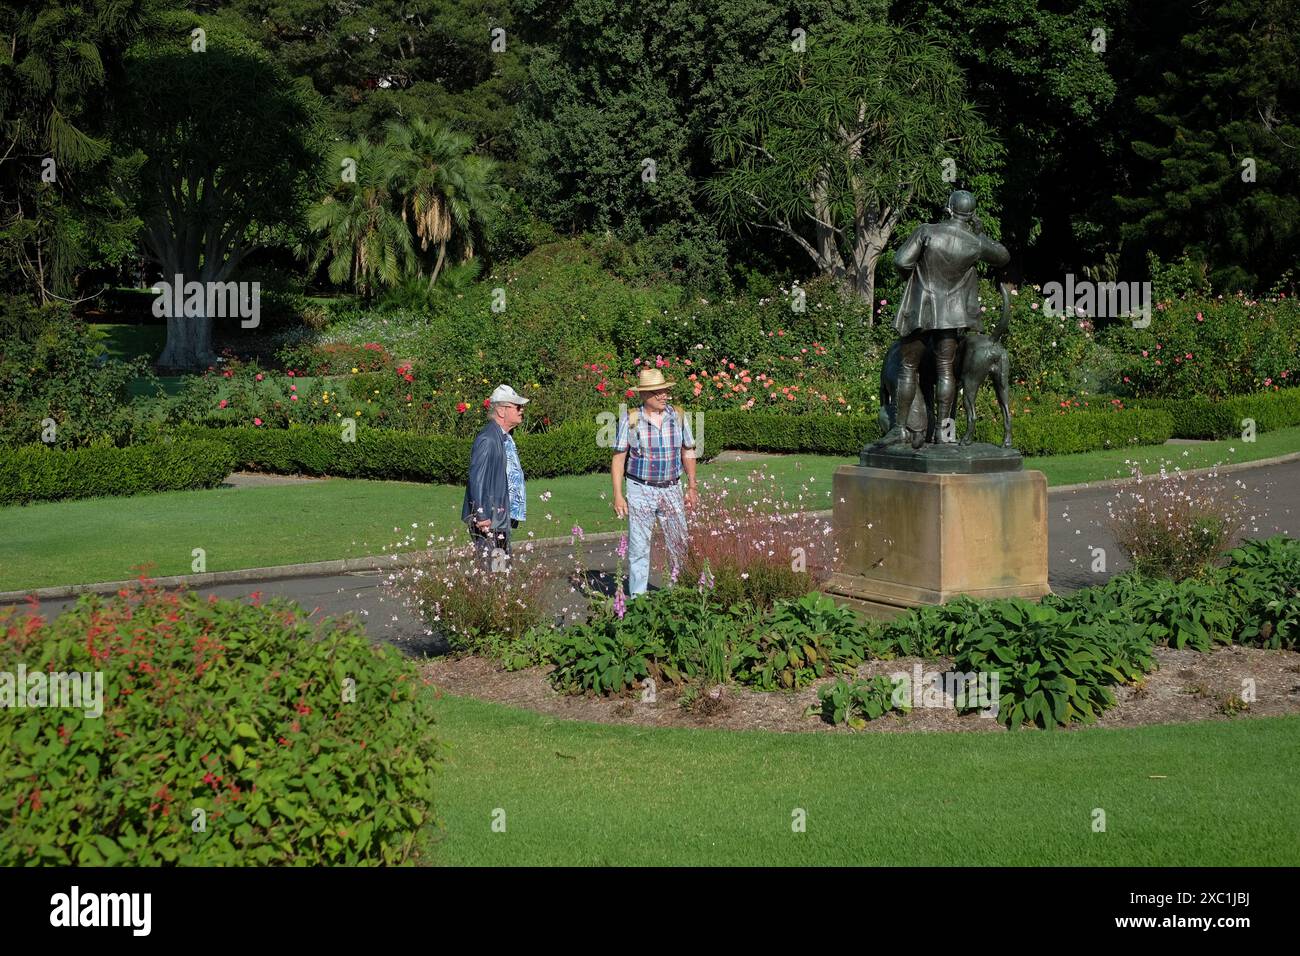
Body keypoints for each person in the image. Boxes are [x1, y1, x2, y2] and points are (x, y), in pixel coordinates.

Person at [887, 189, 1009, 448]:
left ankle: (900, 429)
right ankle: (944, 433)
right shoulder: (974, 243)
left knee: (908, 367)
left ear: (949, 209)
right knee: (945, 372)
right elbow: (1003, 256)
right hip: (952, 315)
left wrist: (915, 279)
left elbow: (900, 261)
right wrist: (979, 232)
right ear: (971, 214)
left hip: (921, 308)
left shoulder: (926, 231)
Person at [611, 368, 698, 598]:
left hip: (671, 488)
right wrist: (618, 495)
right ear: (643, 396)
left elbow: (688, 451)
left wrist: (691, 486)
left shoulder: (678, 416)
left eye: (665, 391)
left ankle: (676, 594)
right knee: (639, 547)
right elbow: (619, 458)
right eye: (657, 392)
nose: (663, 396)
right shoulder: (630, 420)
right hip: (640, 488)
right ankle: (638, 602)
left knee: (678, 545)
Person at [461, 384, 529, 570]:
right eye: (517, 406)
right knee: (493, 568)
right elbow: (477, 478)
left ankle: (497, 596)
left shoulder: (503, 436)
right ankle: (491, 597)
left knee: (499, 566)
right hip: (489, 518)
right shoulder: (488, 439)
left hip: (499, 515)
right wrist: (482, 515)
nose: (521, 410)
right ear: (501, 410)